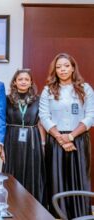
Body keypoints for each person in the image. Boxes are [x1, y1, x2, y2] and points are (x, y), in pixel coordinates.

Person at [39, 53, 94, 219]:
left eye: (66, 66)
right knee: (57, 179)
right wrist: (60, 138)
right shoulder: (48, 90)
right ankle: (58, 215)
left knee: (80, 178)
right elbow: (44, 117)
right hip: (55, 141)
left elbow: (90, 116)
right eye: (58, 67)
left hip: (78, 139)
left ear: (73, 68)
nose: (62, 69)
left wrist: (70, 137)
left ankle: (81, 216)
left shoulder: (85, 88)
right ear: (54, 70)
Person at [2, 69, 46, 204]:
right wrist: (1, 145)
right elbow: (1, 122)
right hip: (11, 138)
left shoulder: (38, 99)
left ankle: (31, 206)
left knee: (32, 172)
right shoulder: (6, 99)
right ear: (15, 82)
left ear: (31, 82)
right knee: (12, 171)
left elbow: (41, 123)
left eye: (26, 79)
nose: (23, 82)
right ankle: (12, 204)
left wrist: (43, 143)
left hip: (32, 139)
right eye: (20, 79)